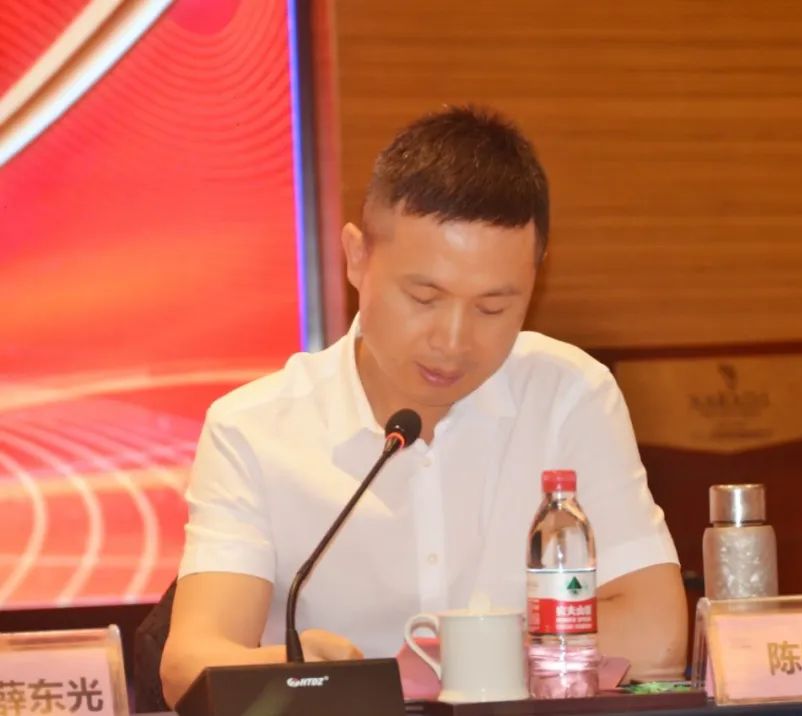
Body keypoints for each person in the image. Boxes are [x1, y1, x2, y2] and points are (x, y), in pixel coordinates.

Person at [160, 105, 687, 707]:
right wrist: (307, 670)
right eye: (424, 297)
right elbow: (190, 666)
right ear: (357, 257)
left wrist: (438, 660)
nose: (454, 341)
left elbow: (658, 640)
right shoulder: (253, 429)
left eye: (493, 308)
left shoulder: (568, 395)